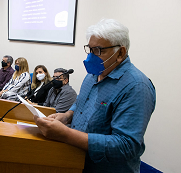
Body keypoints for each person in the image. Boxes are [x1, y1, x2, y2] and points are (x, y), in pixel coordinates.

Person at [34, 19, 156, 173]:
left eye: (98, 50)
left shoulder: (136, 87)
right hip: (75, 160)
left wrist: (66, 134)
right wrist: (67, 115)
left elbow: (126, 146)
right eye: (90, 49)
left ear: (120, 53)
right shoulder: (93, 74)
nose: (91, 57)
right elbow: (81, 103)